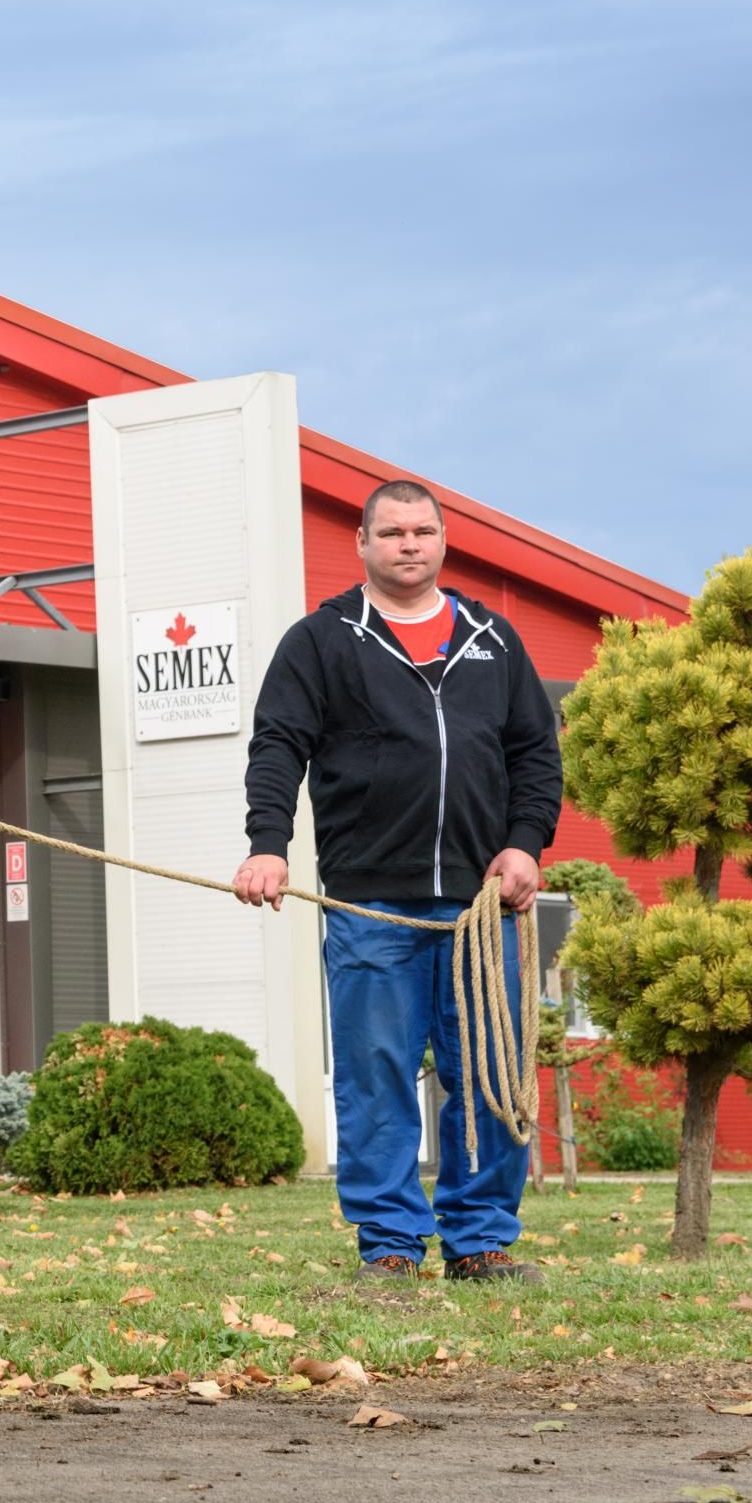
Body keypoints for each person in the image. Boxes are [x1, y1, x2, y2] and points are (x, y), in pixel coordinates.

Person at [234, 479, 559, 1283]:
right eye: (392, 532)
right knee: (377, 1078)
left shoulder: (493, 637)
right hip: (369, 901)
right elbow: (278, 746)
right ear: (363, 544)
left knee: (486, 1076)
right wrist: (267, 844)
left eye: (422, 530)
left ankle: (481, 1241)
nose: (408, 544)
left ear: (444, 540)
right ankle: (389, 1246)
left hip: (484, 909)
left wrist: (524, 845)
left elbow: (535, 756)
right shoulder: (323, 640)